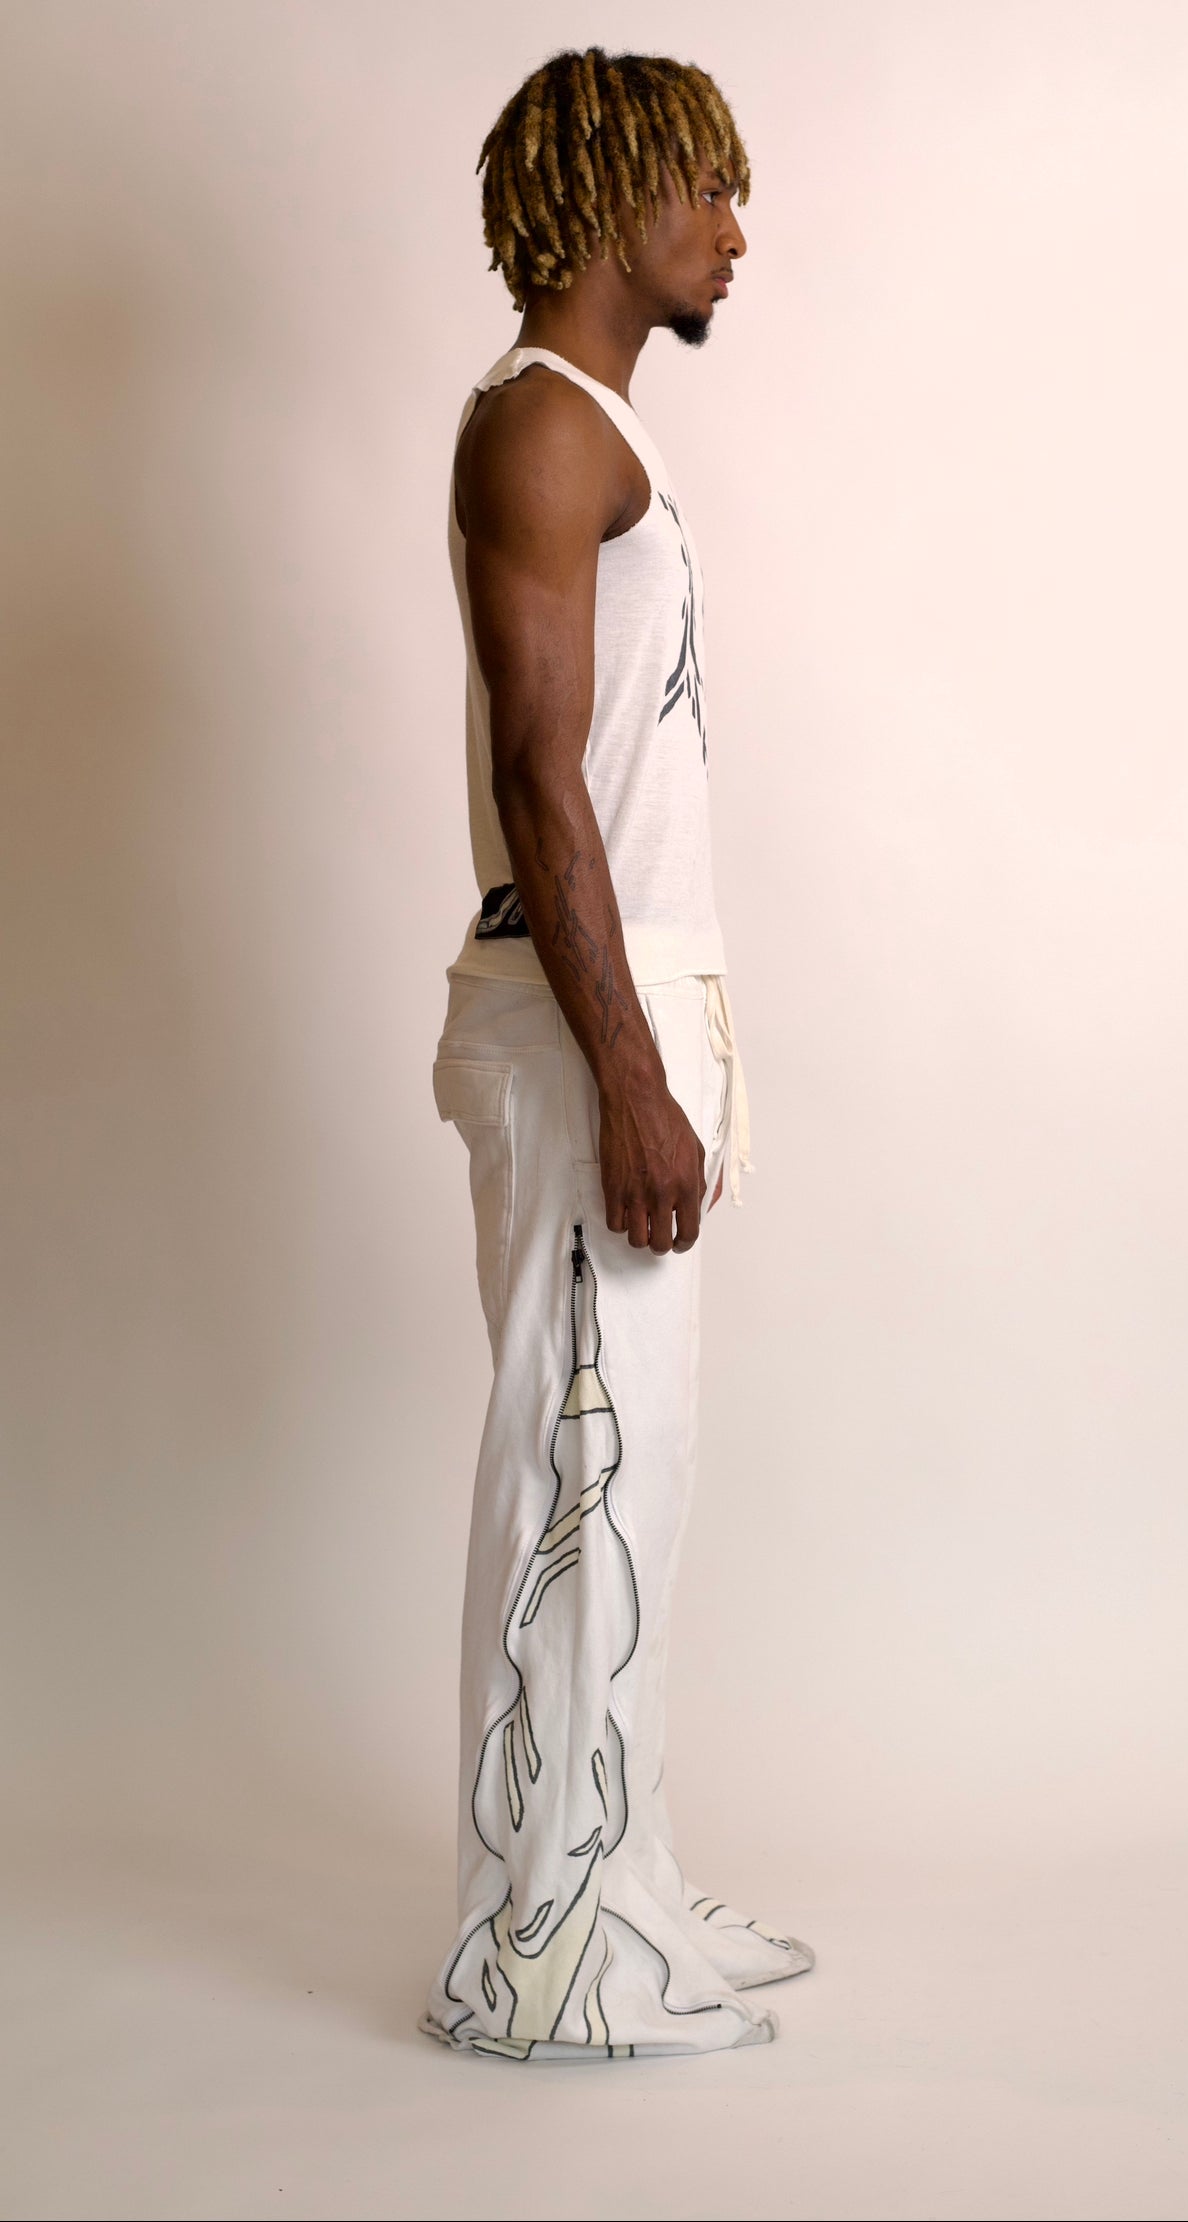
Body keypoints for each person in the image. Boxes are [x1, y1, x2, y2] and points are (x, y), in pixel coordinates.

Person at [420, 46, 813, 2063]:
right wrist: (635, 1073)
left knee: (631, 1463)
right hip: (589, 1024)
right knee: (576, 1464)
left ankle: (619, 1882)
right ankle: (543, 1952)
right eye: (708, 191)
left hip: (633, 1006)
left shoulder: (588, 429)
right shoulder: (541, 429)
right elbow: (538, 775)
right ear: (615, 196)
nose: (735, 233)